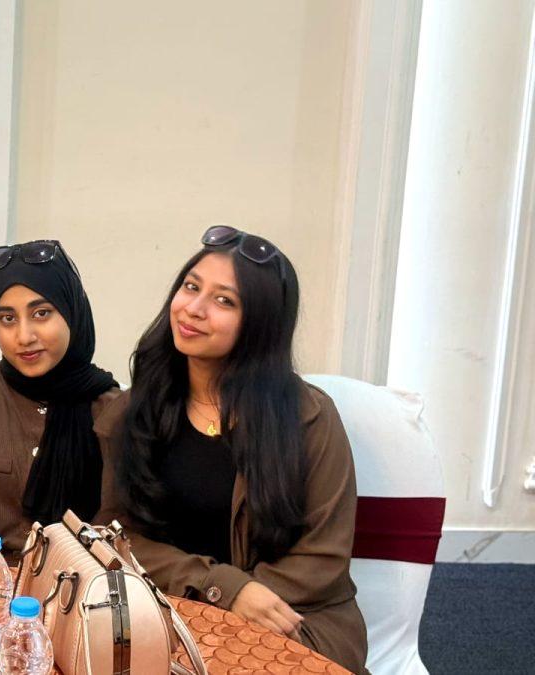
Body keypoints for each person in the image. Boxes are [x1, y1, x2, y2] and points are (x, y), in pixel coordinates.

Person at [95, 226, 367, 672]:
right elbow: (117, 536)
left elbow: (324, 555)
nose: (194, 308)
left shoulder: (309, 418)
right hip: (172, 610)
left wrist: (247, 604)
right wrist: (223, 589)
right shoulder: (135, 410)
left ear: (260, 324)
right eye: (191, 287)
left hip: (291, 618)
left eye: (224, 300)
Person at [0, 240, 119, 563]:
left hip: (83, 587)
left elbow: (117, 541)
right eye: (7, 318)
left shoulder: (115, 410)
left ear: (72, 312)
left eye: (41, 313)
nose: (24, 336)